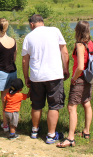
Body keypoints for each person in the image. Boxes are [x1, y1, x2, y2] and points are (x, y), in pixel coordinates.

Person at [22, 14, 69, 144]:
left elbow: (25, 60)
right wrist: (66, 68)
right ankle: (51, 135)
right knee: (54, 105)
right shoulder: (55, 31)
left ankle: (34, 131)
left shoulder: (28, 37)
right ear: (42, 22)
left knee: (36, 104)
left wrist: (26, 77)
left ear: (32, 24)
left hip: (36, 77)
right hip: (54, 75)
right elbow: (64, 52)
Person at [57, 21, 93, 148]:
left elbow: (80, 66)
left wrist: (73, 79)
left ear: (78, 30)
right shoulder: (91, 43)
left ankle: (70, 138)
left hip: (79, 78)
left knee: (71, 107)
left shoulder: (80, 45)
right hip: (89, 77)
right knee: (86, 103)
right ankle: (86, 131)